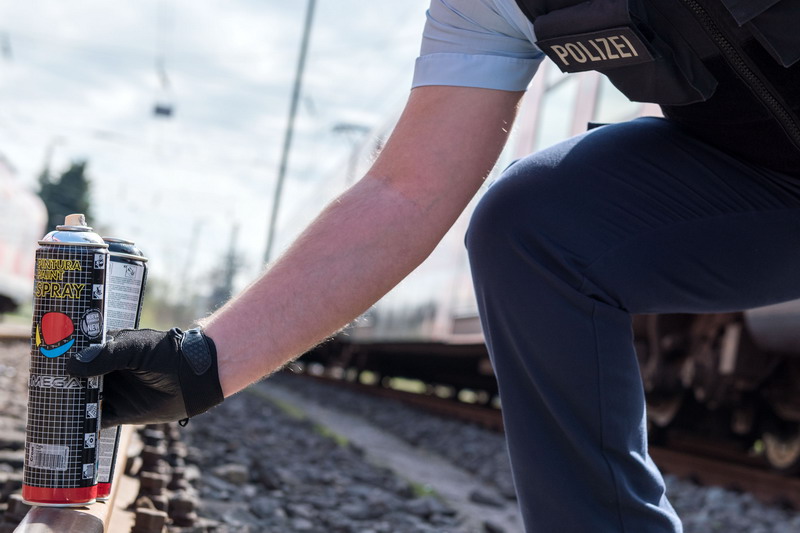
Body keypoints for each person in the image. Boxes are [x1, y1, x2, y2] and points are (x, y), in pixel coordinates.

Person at [68, 1, 800, 531]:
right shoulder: (485, 4)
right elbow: (404, 190)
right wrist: (204, 360)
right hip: (770, 185)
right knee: (533, 226)